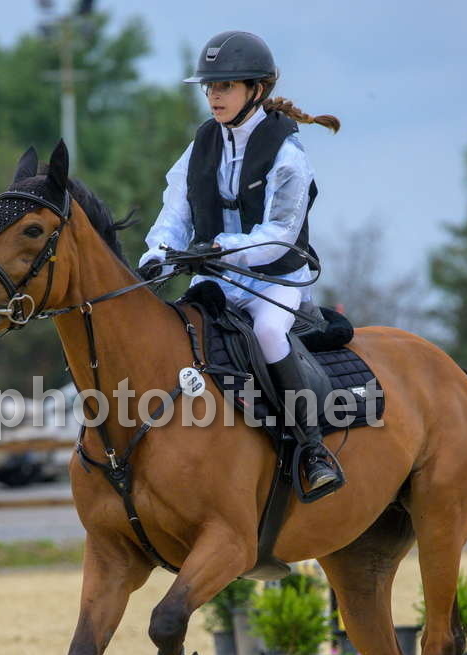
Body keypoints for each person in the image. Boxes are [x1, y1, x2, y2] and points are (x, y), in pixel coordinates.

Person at [138, 30, 343, 495]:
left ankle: (312, 448)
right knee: (176, 331)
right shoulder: (202, 144)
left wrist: (219, 249)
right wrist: (157, 256)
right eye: (210, 87)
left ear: (257, 89)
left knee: (268, 332)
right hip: (217, 281)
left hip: (275, 280)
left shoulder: (288, 153)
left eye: (225, 86)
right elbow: (175, 212)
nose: (214, 96)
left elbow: (278, 235)